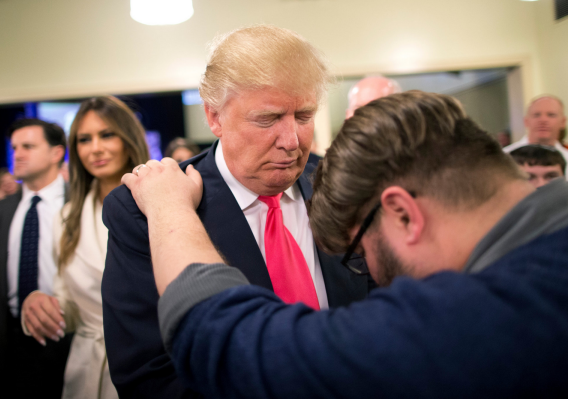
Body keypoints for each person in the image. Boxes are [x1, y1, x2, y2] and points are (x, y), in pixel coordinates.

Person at [122, 91, 568, 398]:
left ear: (405, 215)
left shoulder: (480, 316)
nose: (371, 273)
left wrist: (168, 209)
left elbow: (225, 340)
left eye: (363, 256)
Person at [102, 24, 375, 398]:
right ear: (214, 116)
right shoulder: (146, 208)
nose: (291, 141)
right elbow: (148, 373)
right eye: (267, 119)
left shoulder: (344, 183)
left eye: (304, 115)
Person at [20, 96, 150, 399]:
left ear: (128, 138)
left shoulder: (162, 206)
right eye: (84, 139)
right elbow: (69, 305)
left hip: (151, 364)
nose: (95, 148)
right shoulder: (66, 219)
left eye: (106, 135)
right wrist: (43, 305)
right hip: (88, 370)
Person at [0, 119, 70, 399]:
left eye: (28, 146)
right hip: (10, 342)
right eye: (14, 147)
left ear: (56, 153)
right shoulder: (0, 211)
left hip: (66, 335)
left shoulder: (80, 203)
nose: (18, 154)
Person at [503, 95, 568, 163]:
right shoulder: (503, 158)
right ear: (526, 121)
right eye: (536, 115)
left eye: (551, 115)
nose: (543, 120)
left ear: (563, 122)